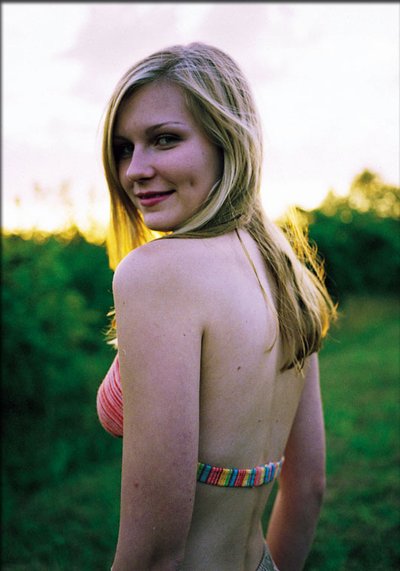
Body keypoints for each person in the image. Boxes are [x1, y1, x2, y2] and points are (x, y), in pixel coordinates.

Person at [96, 42, 337, 571]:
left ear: (227, 140)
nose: (135, 169)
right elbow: (308, 488)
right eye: (124, 148)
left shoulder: (157, 274)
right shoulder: (287, 274)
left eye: (164, 139)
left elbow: (154, 554)